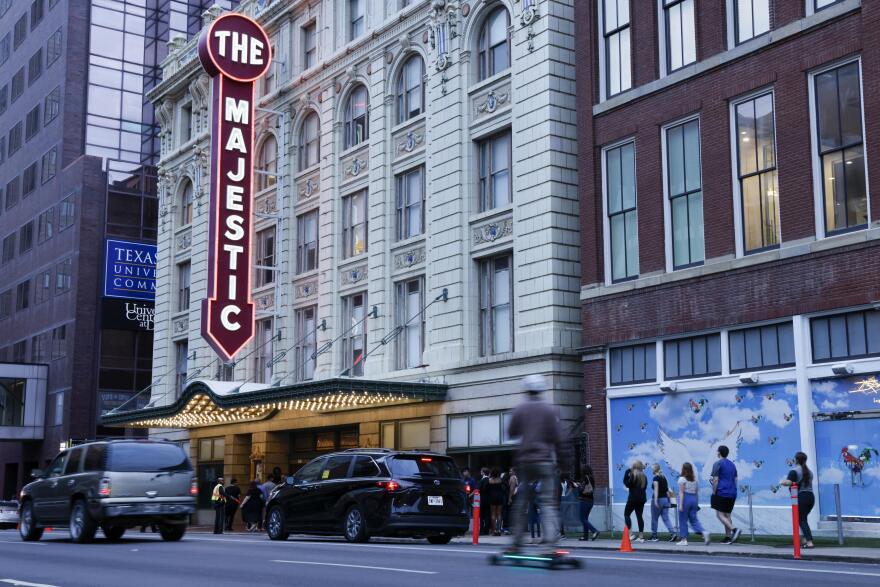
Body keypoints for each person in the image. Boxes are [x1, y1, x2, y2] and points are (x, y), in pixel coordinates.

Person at [507, 374, 567, 555]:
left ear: (526, 390)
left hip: (525, 461)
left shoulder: (520, 409)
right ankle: (550, 545)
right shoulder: (550, 410)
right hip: (545, 460)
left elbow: (511, 432)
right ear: (542, 390)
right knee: (547, 503)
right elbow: (559, 438)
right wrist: (564, 463)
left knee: (521, 502)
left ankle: (516, 543)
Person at [781, 451, 814, 549]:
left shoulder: (794, 471)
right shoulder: (809, 472)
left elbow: (788, 482)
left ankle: (809, 542)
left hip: (801, 497)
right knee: (803, 519)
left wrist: (782, 482)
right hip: (810, 497)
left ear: (796, 460)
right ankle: (804, 540)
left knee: (801, 520)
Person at [710, 445, 741, 544]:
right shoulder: (732, 464)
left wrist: (714, 492)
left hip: (722, 491)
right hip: (732, 492)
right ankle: (728, 537)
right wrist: (733, 489)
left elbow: (715, 480)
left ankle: (734, 530)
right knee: (727, 515)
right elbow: (735, 479)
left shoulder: (717, 464)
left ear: (719, 452)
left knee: (719, 515)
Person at [677, 462, 710, 546]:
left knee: (683, 520)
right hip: (694, 500)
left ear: (683, 469)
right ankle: (703, 532)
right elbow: (696, 493)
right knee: (694, 519)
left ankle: (684, 540)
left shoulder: (682, 479)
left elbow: (681, 492)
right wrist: (696, 504)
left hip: (685, 499)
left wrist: (680, 505)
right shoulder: (695, 480)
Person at [649, 463, 677, 542]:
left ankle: (654, 536)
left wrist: (655, 501)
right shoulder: (664, 477)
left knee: (654, 519)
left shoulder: (655, 478)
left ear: (655, 470)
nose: (651, 470)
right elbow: (667, 490)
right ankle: (673, 533)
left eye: (652, 469)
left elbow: (656, 490)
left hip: (658, 499)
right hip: (665, 500)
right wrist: (669, 501)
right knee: (666, 518)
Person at [623, 460, 647, 542]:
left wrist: (627, 473)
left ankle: (631, 534)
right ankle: (641, 536)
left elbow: (627, 484)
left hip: (633, 498)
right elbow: (644, 487)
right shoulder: (644, 476)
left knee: (626, 514)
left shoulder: (633, 475)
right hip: (642, 499)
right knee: (639, 516)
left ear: (634, 466)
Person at [577, 465, 600, 541]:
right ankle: (585, 536)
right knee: (585, 518)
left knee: (582, 518)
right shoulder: (592, 478)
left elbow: (581, 490)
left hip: (584, 500)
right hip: (591, 501)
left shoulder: (585, 478)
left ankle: (594, 531)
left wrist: (578, 486)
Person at [487, 468, 505, 535]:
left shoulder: (489, 480)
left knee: (493, 514)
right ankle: (499, 530)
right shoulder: (500, 480)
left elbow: (487, 489)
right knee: (499, 513)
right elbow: (505, 487)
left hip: (492, 497)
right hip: (500, 496)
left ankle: (494, 530)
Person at [478, 467, 491, 534]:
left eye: (481, 471)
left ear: (483, 472)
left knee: (482, 516)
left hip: (482, 499)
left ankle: (482, 530)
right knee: (487, 515)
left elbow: (478, 490)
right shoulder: (489, 480)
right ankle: (487, 530)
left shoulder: (482, 480)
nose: (480, 472)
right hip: (489, 500)